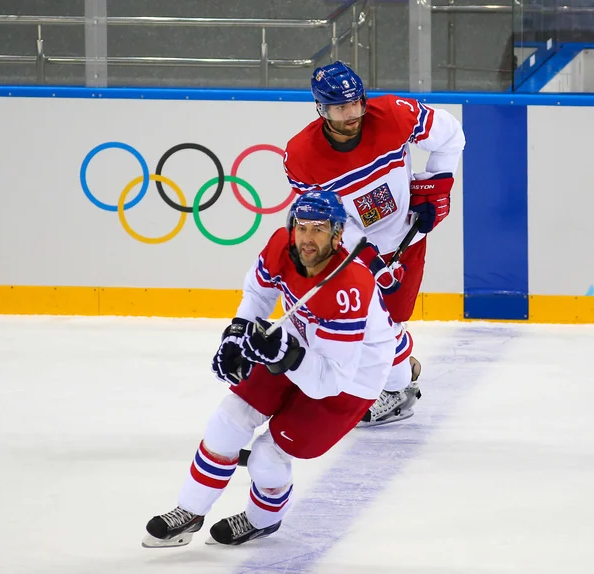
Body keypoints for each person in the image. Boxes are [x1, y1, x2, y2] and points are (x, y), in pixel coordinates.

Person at [142, 190, 412, 548]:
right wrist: (236, 333)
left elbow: (328, 381)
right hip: (299, 343)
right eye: (301, 226)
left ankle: (261, 521)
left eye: (319, 229)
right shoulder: (282, 246)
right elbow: (259, 292)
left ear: (337, 234)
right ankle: (190, 511)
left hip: (352, 377)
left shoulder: (349, 286)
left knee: (268, 458)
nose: (307, 238)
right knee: (229, 419)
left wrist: (286, 355)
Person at [283, 60, 465, 426]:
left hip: (406, 238)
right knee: (363, 322)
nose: (352, 115)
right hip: (350, 252)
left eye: (356, 104)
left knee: (393, 320)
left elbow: (451, 135)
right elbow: (322, 217)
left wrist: (438, 184)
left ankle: (396, 382)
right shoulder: (301, 155)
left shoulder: (394, 114)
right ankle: (396, 378)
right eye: (340, 108)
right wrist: (362, 252)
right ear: (321, 108)